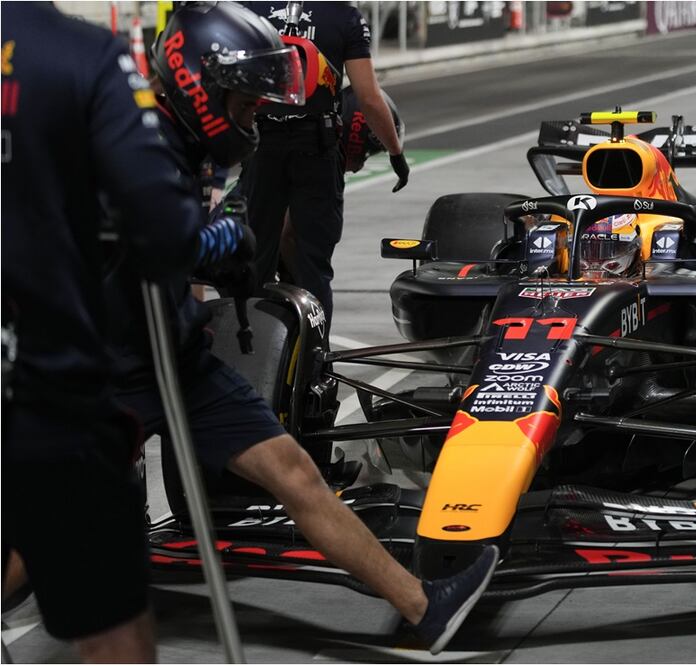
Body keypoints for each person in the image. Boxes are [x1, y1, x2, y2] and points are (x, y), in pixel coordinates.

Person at [107, 3, 494, 654]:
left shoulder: (187, 141)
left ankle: (424, 608)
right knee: (69, 519)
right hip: (112, 360)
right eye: (248, 101)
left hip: (176, 353)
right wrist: (214, 243)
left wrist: (199, 291)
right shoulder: (132, 141)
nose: (257, 114)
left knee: (294, 470)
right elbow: (139, 245)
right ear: (202, 84)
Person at [1, 2, 254, 661]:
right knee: (114, 631)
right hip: (42, 387)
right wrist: (224, 236)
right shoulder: (83, 54)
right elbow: (163, 232)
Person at [238, 0, 409, 329]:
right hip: (316, 147)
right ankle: (316, 364)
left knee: (255, 259)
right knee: (314, 267)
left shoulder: (249, 7)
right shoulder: (342, 15)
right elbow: (368, 97)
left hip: (262, 145)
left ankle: (252, 352)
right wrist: (395, 151)